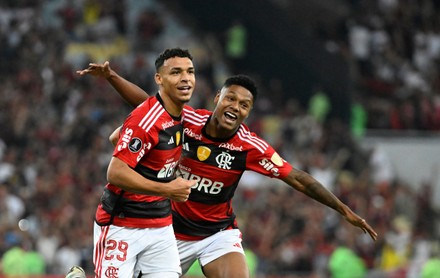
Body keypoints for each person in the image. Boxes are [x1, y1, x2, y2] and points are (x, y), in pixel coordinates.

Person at [77, 62, 378, 278]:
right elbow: (147, 103)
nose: (236, 106)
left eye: (244, 105)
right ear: (217, 99)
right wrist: (113, 76)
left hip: (216, 234)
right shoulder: (188, 121)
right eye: (231, 98)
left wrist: (343, 210)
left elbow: (297, 178)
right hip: (169, 232)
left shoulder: (249, 146)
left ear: (248, 112)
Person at [72, 48, 198, 278]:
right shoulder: (146, 119)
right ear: (159, 79)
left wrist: (112, 76)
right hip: (122, 224)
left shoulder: (176, 113)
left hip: (160, 225)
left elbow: (119, 133)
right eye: (176, 72)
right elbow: (116, 173)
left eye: (190, 71)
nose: (185, 78)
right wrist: (167, 188)